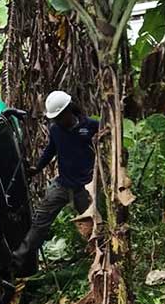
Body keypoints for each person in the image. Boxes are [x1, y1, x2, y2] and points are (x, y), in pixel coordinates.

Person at [11, 91, 100, 272]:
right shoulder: (56, 130)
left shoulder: (90, 126)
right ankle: (17, 260)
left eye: (60, 117)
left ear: (69, 110)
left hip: (85, 187)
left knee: (92, 225)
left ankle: (98, 261)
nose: (58, 121)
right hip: (62, 184)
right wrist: (37, 168)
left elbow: (108, 140)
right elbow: (50, 151)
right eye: (55, 118)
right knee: (40, 221)